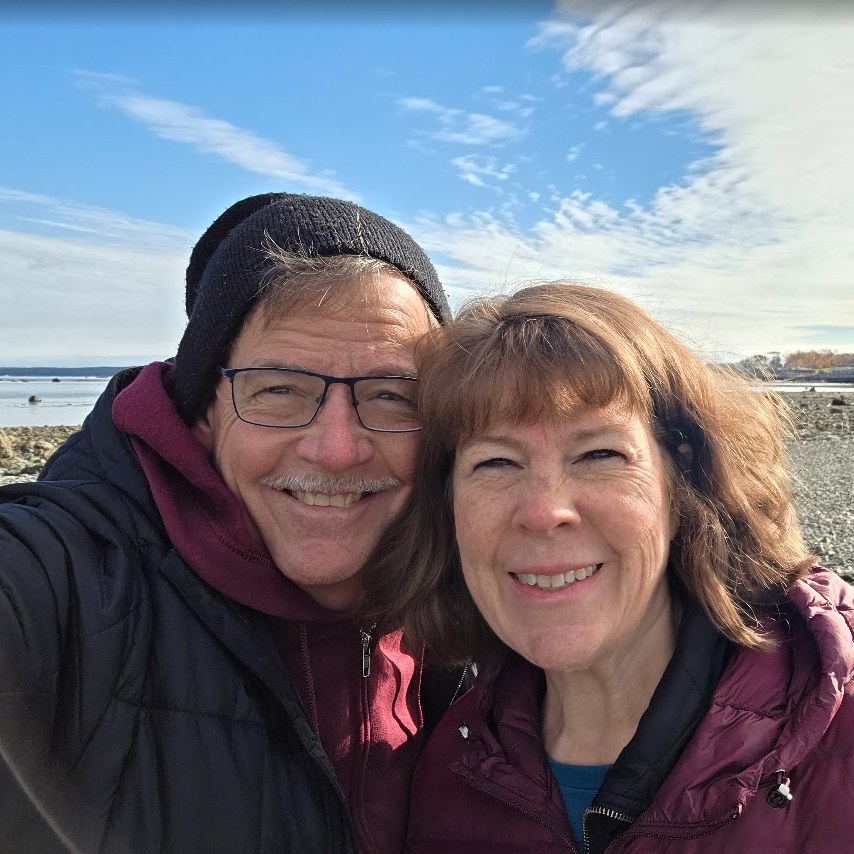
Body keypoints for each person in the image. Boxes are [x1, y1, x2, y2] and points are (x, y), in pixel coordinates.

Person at [0, 192, 467, 854]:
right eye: (278, 389)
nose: (336, 448)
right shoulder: (68, 585)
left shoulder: (477, 605)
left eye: (392, 396)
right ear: (201, 412)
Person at [361, 282, 854, 854]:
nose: (545, 512)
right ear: (447, 511)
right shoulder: (448, 771)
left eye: (599, 454)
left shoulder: (835, 734)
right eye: (495, 461)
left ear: (683, 485)